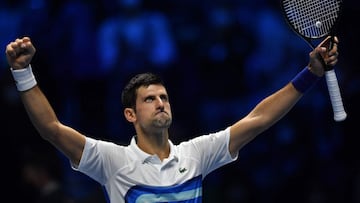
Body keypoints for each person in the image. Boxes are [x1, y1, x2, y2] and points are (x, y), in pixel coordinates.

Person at [5, 36, 339, 202]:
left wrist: (310, 74)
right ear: (130, 114)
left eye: (164, 97)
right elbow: (51, 129)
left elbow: (260, 118)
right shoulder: (112, 160)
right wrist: (23, 73)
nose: (161, 103)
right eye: (150, 99)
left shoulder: (195, 154)